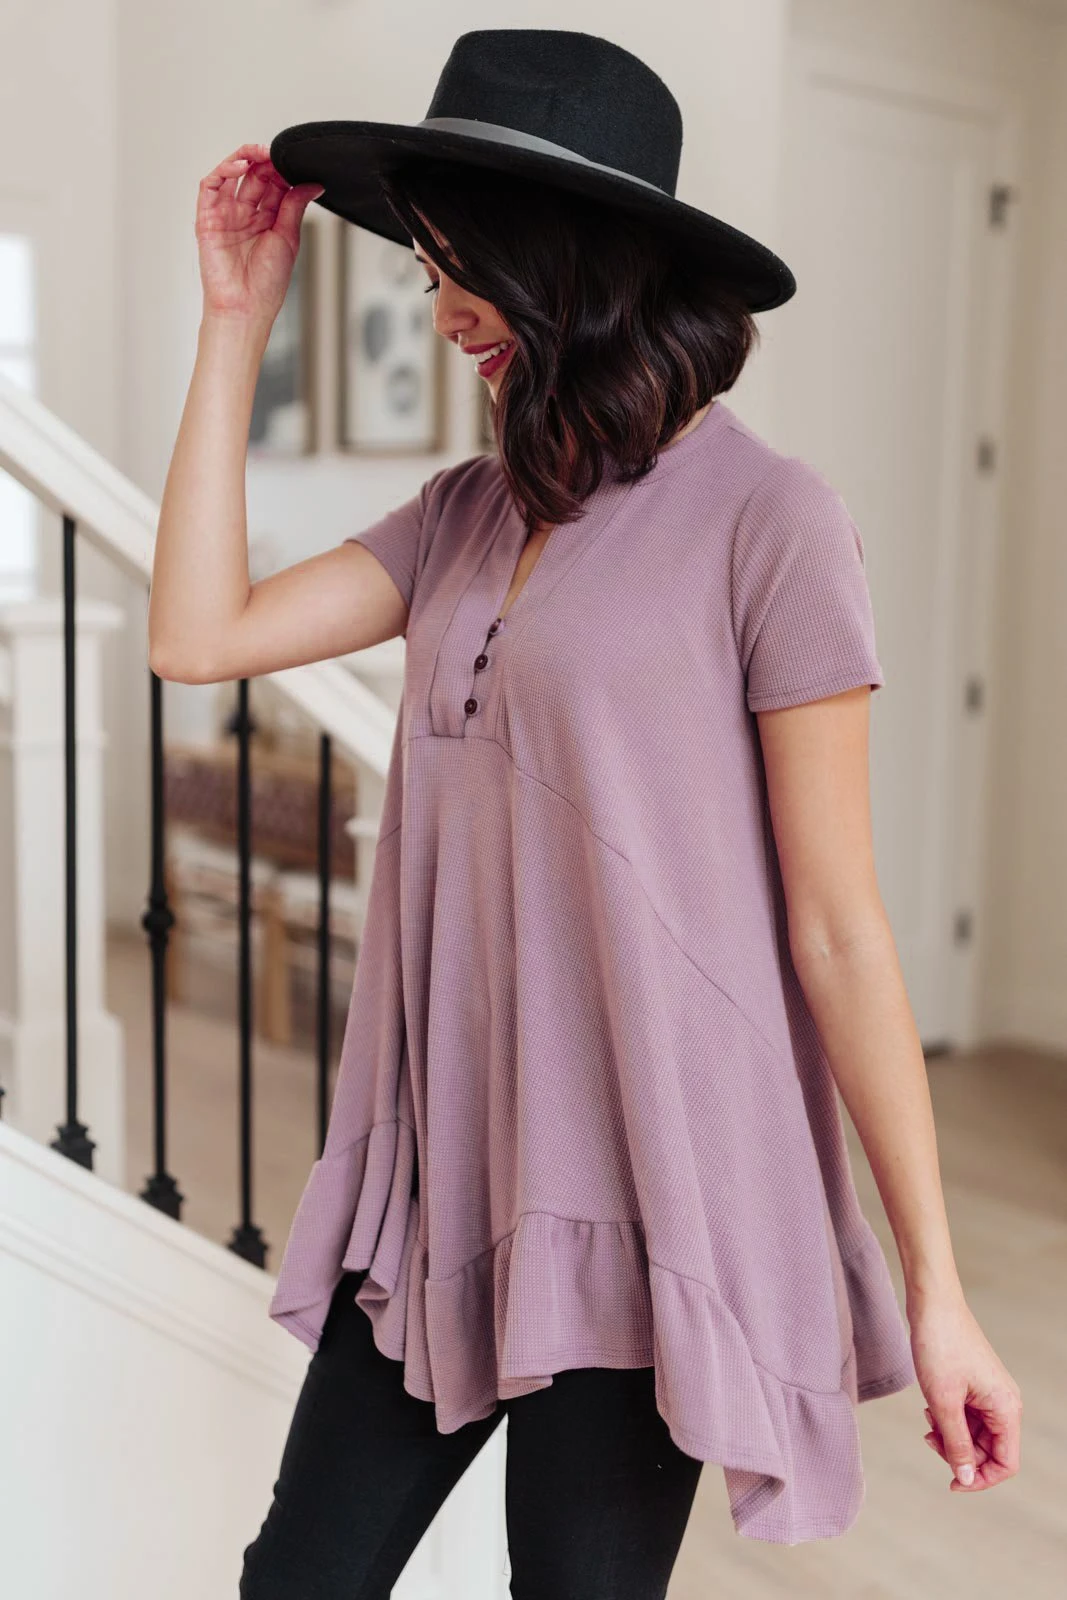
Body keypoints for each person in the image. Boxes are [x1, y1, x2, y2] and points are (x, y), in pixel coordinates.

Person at [150, 28, 1022, 1600]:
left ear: (576, 258)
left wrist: (937, 1288)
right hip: (441, 1187)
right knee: (297, 1582)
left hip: (648, 1198)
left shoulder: (771, 521)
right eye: (427, 272)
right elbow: (197, 636)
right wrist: (235, 325)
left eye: (463, 269)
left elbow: (837, 927)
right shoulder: (461, 515)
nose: (442, 312)